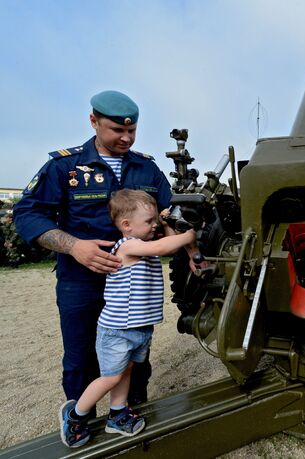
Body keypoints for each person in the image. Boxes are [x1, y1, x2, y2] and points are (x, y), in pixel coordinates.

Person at [14, 90, 174, 408]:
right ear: (93, 122)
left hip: (134, 283)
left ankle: (130, 412)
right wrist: (74, 246)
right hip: (82, 280)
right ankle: (79, 421)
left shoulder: (147, 170)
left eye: (131, 130)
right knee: (81, 356)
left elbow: (171, 212)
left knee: (134, 355)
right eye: (117, 130)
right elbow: (28, 214)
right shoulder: (64, 167)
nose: (126, 137)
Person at [59, 189, 198, 447]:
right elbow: (164, 246)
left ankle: (117, 413)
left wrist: (167, 224)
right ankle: (75, 416)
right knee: (110, 376)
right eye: (149, 221)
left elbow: (165, 248)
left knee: (126, 372)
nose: (154, 224)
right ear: (126, 225)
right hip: (118, 330)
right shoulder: (129, 246)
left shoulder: (144, 245)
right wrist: (188, 235)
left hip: (138, 327)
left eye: (155, 220)